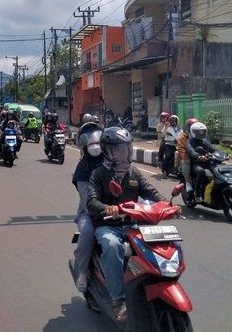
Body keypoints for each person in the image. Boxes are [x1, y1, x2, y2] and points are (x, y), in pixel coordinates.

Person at [86, 126, 172, 323]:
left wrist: (166, 204)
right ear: (107, 151)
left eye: (126, 148)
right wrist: (107, 208)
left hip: (133, 224)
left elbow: (150, 191)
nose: (123, 153)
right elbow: (91, 201)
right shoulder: (99, 174)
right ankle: (118, 299)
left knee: (155, 244)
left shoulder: (134, 173)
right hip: (109, 225)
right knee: (112, 245)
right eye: (118, 149)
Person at [71, 121, 104, 297]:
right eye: (89, 140)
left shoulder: (112, 160)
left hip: (120, 211)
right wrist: (103, 209)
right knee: (87, 233)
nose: (94, 143)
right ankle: (83, 272)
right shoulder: (82, 168)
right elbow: (86, 198)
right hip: (89, 213)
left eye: (97, 138)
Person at [185, 122, 218, 202]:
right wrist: (198, 156)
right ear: (193, 132)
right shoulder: (189, 141)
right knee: (201, 171)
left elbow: (214, 149)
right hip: (195, 163)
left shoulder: (205, 142)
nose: (201, 133)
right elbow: (191, 151)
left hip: (207, 162)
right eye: (199, 132)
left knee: (217, 169)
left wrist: (225, 154)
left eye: (203, 131)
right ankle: (197, 192)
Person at [176, 118, 198, 195]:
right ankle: (188, 182)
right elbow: (182, 150)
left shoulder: (200, 137)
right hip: (185, 159)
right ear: (188, 128)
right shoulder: (183, 138)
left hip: (197, 159)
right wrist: (186, 157)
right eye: (192, 126)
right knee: (185, 162)